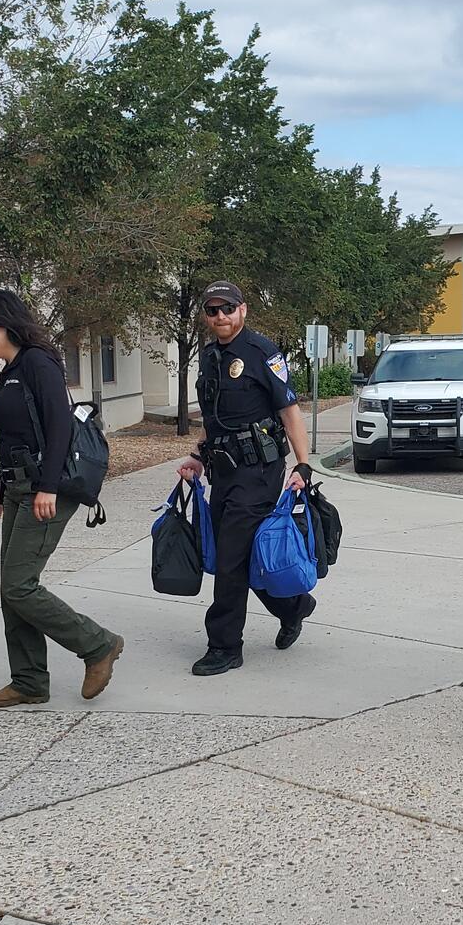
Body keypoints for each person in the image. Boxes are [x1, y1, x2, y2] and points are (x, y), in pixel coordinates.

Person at [0, 288, 123, 708]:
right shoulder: (12, 370)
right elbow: (13, 437)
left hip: (46, 487)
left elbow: (58, 428)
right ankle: (29, 681)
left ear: (6, 321)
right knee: (11, 589)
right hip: (19, 487)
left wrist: (48, 487)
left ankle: (98, 644)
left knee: (19, 586)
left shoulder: (40, 363)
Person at [173, 281, 316, 676]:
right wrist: (197, 456)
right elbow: (215, 419)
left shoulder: (261, 353)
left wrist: (303, 464)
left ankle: (224, 646)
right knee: (240, 555)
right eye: (212, 310)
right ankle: (294, 606)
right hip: (224, 471)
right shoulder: (209, 357)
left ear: (243, 310)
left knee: (230, 558)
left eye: (228, 308)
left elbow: (289, 410)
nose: (220, 316)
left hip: (259, 471)